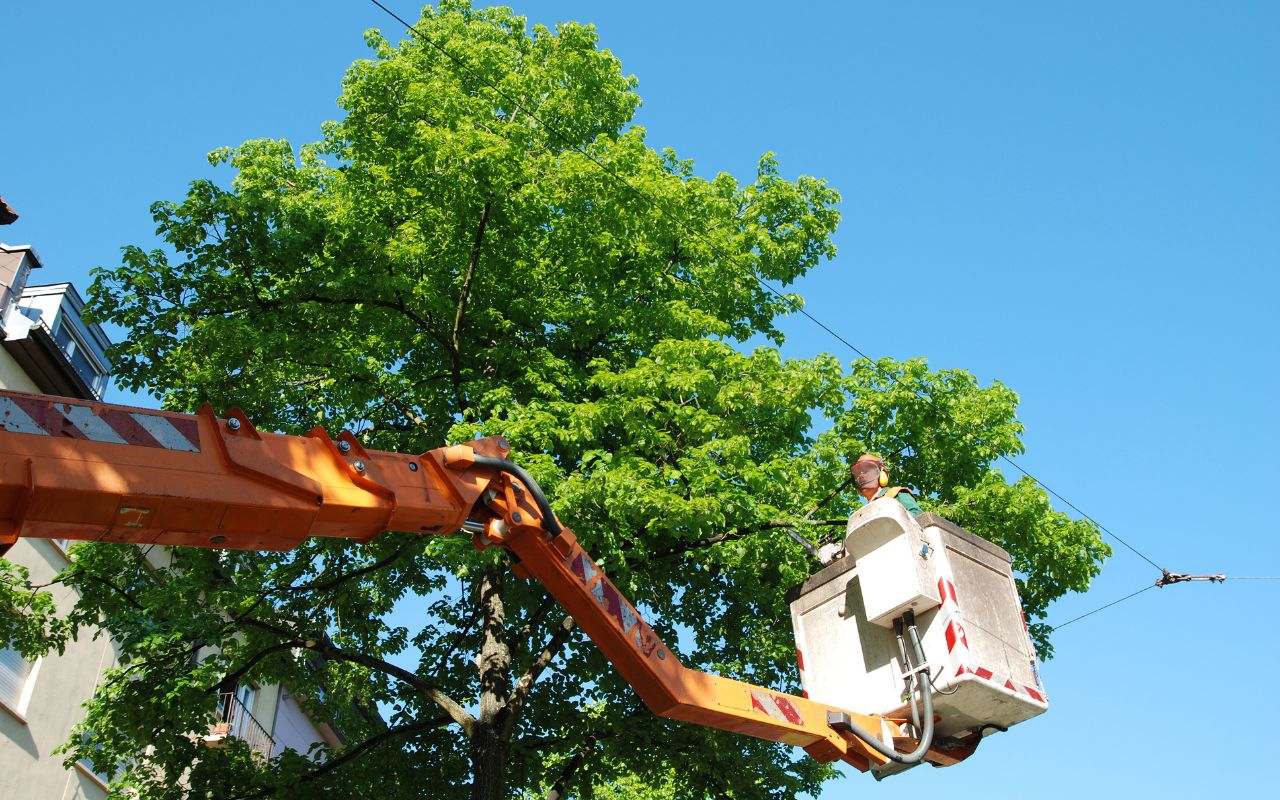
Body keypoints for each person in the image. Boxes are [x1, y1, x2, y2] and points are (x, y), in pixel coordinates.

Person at [851, 453, 923, 517]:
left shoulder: (896, 494)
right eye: (858, 474)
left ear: (882, 473)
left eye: (867, 471)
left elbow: (918, 517)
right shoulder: (862, 514)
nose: (861, 476)